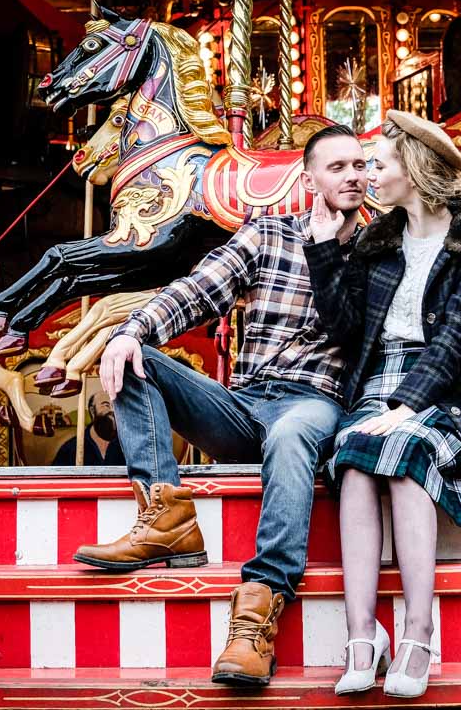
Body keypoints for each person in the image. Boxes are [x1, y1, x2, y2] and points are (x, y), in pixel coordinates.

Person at [74, 124, 370, 687]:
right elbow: (197, 288)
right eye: (337, 167)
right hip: (246, 402)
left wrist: (330, 252)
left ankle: (256, 619)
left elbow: (357, 332)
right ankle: (165, 510)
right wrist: (132, 329)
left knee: (289, 436)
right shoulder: (268, 234)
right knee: (140, 357)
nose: (352, 176)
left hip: (315, 403)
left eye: (359, 165)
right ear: (308, 179)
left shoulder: (376, 250)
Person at [304, 111, 461, 699]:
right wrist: (323, 250)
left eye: (377, 164)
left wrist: (408, 406)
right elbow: (345, 325)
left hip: (446, 387)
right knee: (355, 458)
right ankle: (363, 634)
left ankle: (418, 629)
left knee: (405, 454)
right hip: (377, 378)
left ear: (411, 168)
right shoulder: (375, 238)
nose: (367, 176)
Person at [51, 391, 125, 466]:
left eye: (115, 406)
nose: (112, 410)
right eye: (106, 405)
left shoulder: (125, 445)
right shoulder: (72, 448)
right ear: (92, 411)